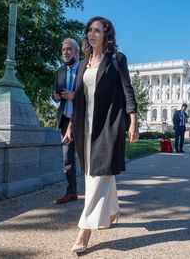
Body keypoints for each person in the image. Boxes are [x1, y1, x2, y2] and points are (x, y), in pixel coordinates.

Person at [63, 17, 139, 253]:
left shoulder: (117, 59)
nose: (92, 34)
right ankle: (113, 209)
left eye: (97, 30)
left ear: (107, 35)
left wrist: (133, 120)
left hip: (108, 124)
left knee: (99, 173)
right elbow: (79, 97)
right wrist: (70, 124)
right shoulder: (83, 64)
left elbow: (127, 89)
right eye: (89, 30)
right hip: (85, 126)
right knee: (91, 173)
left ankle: (84, 232)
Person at [52, 38, 80, 204]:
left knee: (87, 158)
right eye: (63, 50)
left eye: (69, 49)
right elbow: (54, 94)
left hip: (82, 120)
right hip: (65, 120)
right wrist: (55, 96)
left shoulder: (85, 69)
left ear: (76, 52)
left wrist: (74, 95)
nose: (66, 52)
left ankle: (95, 194)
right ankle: (72, 192)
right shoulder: (60, 72)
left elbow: (91, 95)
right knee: (67, 159)